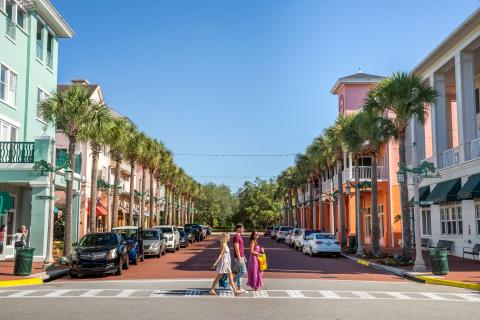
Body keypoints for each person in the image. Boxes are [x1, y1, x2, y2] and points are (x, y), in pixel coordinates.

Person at [232, 223, 247, 294]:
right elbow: (236, 248)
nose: (243, 230)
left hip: (241, 256)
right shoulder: (236, 237)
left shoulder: (239, 236)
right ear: (239, 229)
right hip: (238, 257)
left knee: (239, 272)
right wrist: (239, 258)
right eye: (242, 228)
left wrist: (244, 257)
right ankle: (231, 281)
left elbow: (241, 248)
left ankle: (239, 288)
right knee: (243, 271)